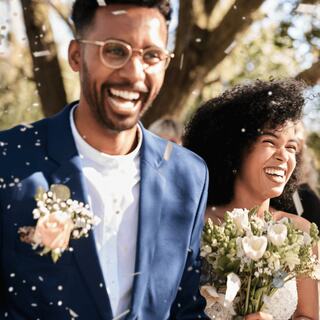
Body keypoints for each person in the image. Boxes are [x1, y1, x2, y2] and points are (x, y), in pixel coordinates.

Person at [0, 1, 209, 319]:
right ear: (76, 56)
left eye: (151, 55)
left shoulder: (189, 176)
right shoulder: (10, 158)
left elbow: (185, 308)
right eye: (115, 50)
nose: (134, 73)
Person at [184, 79, 318, 320]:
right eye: (270, 142)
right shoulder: (193, 227)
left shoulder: (301, 232)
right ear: (234, 149)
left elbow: (309, 315)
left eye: (290, 147)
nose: (283, 156)